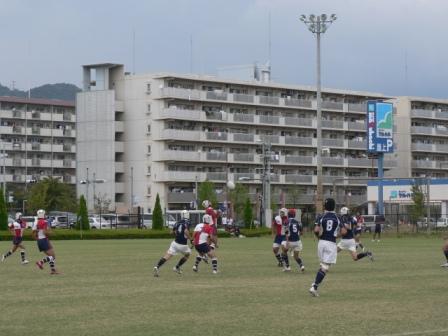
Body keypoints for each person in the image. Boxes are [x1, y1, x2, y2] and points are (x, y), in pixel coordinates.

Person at [309, 198, 345, 297]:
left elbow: (316, 230)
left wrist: (318, 237)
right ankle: (314, 287)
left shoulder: (321, 216)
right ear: (334, 206)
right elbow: (344, 232)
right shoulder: (337, 217)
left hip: (321, 243)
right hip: (331, 243)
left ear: (325, 206)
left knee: (323, 266)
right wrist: (336, 236)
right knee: (325, 267)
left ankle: (315, 284)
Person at [153, 210, 192, 277]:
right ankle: (177, 267)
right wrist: (191, 239)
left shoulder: (177, 222)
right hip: (183, 245)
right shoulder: (187, 222)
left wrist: (176, 233)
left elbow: (171, 232)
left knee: (167, 256)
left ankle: (157, 266)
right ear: (187, 215)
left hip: (175, 243)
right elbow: (186, 231)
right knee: (187, 255)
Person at [32, 209, 59, 275]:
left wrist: (37, 239)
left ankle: (53, 270)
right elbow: (44, 232)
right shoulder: (44, 222)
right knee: (53, 256)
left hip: (40, 241)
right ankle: (40, 262)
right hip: (44, 240)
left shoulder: (35, 222)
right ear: (43, 214)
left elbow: (33, 233)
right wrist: (50, 233)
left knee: (51, 256)